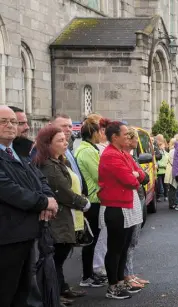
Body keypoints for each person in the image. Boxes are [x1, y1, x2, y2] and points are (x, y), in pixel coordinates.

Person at [0, 106, 58, 307]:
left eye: (13, 122)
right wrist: (43, 202)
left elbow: (39, 179)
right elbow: (9, 190)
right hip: (7, 236)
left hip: (26, 233)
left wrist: (49, 198)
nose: (10, 126)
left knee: (23, 292)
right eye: (3, 121)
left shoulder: (18, 152)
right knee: (6, 292)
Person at [33, 124, 91, 306]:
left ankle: (61, 288)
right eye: (60, 140)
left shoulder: (59, 161)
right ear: (47, 144)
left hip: (66, 215)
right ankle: (54, 294)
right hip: (57, 218)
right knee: (56, 257)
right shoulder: (49, 166)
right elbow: (62, 192)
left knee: (60, 257)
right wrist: (83, 203)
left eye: (65, 140)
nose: (65, 143)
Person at [98, 121, 145, 300]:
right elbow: (130, 180)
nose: (128, 136)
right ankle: (113, 286)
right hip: (116, 206)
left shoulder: (122, 153)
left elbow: (139, 173)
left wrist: (136, 175)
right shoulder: (111, 155)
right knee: (115, 248)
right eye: (125, 134)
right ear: (114, 137)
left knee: (123, 247)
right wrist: (136, 176)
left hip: (125, 205)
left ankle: (119, 280)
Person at [74, 117, 109, 289]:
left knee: (94, 239)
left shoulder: (89, 148)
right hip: (94, 200)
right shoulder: (87, 151)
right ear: (92, 133)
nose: (101, 134)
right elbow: (99, 174)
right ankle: (87, 276)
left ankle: (90, 273)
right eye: (99, 131)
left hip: (95, 198)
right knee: (92, 240)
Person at [123, 128, 150, 290]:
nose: (135, 141)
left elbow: (144, 177)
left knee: (134, 240)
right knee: (129, 240)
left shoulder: (131, 156)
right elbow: (137, 177)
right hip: (131, 198)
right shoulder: (125, 156)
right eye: (133, 138)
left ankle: (130, 273)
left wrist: (138, 175)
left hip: (138, 196)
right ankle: (127, 274)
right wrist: (138, 175)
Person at [155, 135, 169, 202]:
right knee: (159, 185)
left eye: (162, 145)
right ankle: (159, 196)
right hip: (159, 171)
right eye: (160, 145)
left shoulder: (166, 153)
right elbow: (157, 162)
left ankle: (166, 196)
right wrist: (163, 165)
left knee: (165, 184)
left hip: (165, 171)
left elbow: (168, 161)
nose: (162, 146)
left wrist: (166, 165)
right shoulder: (157, 153)